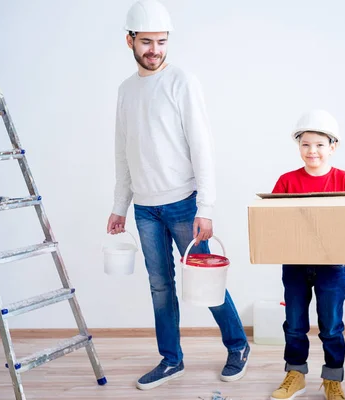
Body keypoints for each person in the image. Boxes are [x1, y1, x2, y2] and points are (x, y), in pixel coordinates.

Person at [107, 0, 250, 391]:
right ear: (130, 41)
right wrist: (120, 205)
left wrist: (206, 206)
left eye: (162, 42)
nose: (155, 49)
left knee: (205, 280)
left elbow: (202, 146)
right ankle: (171, 360)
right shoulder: (125, 91)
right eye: (147, 42)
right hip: (144, 208)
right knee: (159, 286)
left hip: (184, 203)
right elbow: (123, 151)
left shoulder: (182, 81)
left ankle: (238, 346)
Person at [269, 109, 345, 400]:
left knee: (331, 326)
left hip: (331, 267)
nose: (312, 151)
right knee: (294, 324)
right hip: (295, 265)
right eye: (305, 144)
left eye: (319, 144)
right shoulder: (287, 182)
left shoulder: (344, 180)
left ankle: (332, 379)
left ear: (333, 147)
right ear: (298, 147)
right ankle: (295, 374)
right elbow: (270, 221)